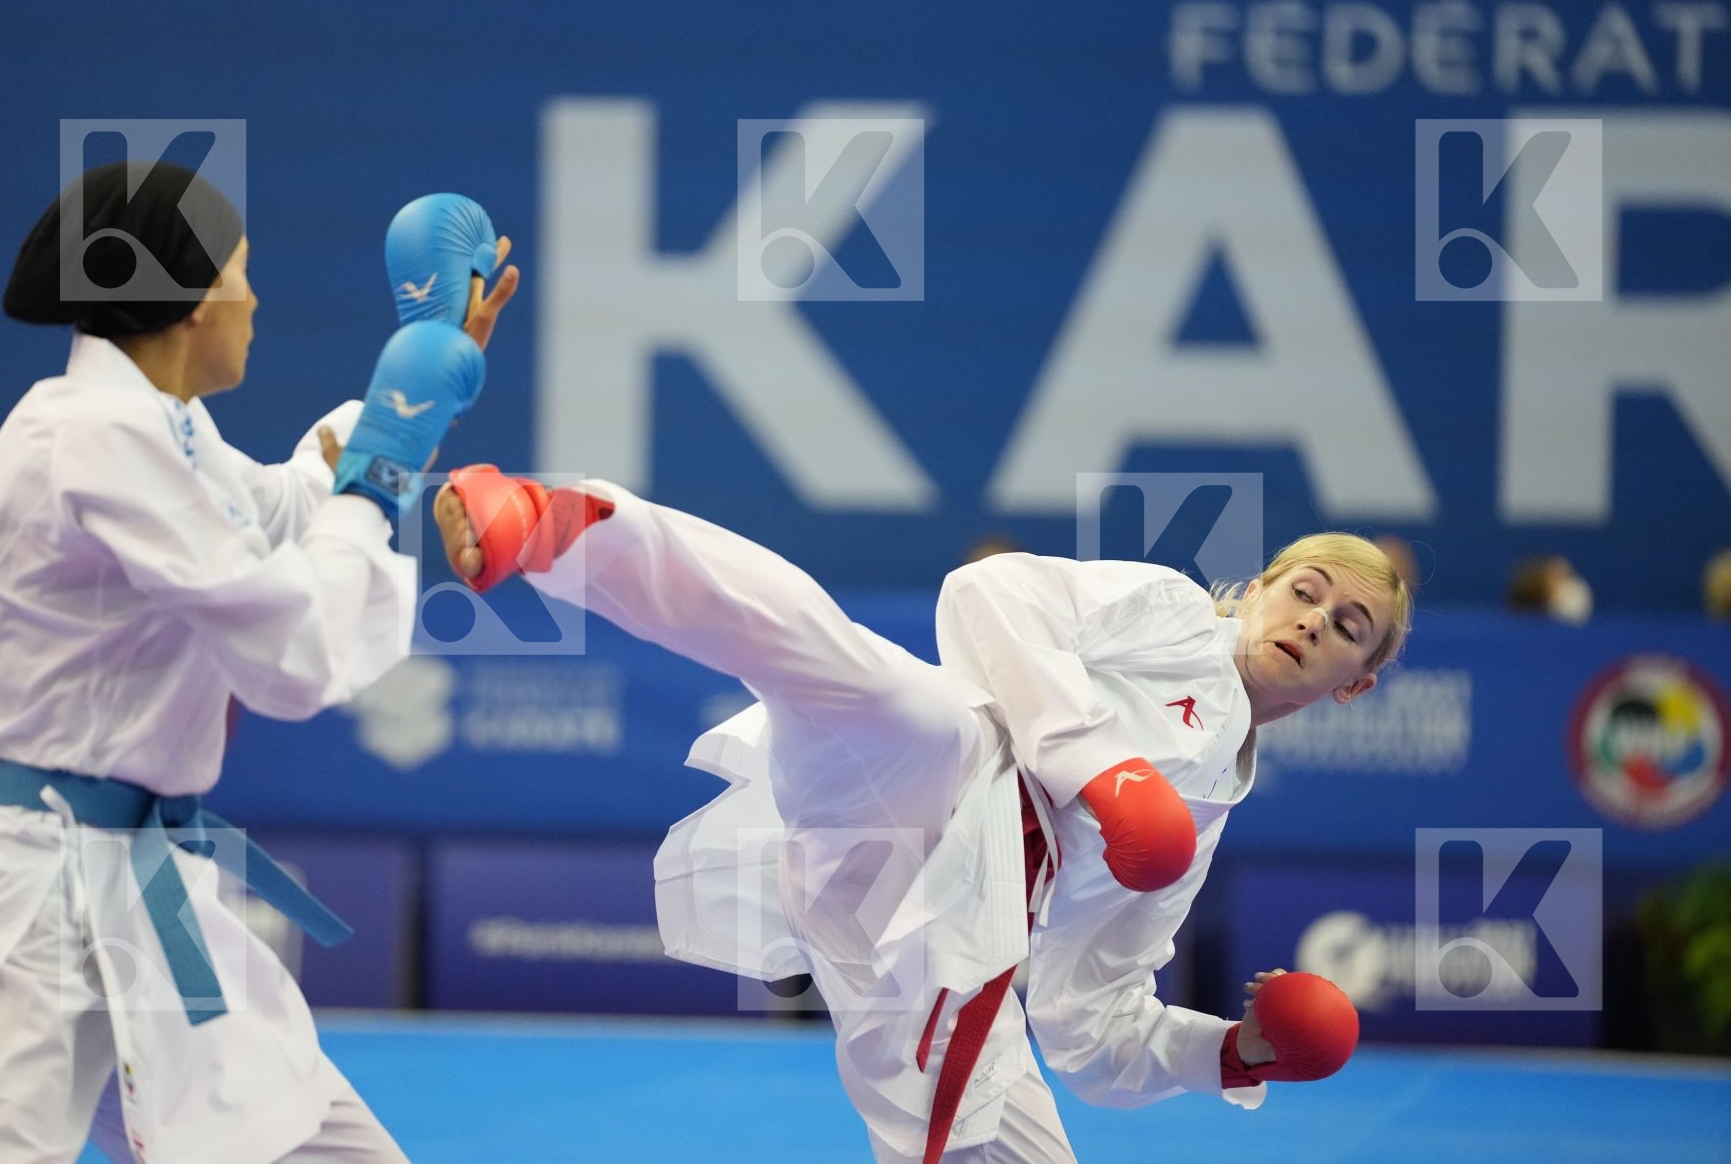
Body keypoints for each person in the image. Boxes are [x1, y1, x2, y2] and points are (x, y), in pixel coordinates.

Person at [432, 470, 1410, 1163]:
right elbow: (989, 592)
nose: (1313, 621)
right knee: (822, 656)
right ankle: (560, 522)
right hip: (927, 778)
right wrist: (1099, 766)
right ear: (1260, 591)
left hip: (932, 935)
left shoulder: (1204, 819)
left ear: (1356, 685)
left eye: (1345, 627)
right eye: (1304, 592)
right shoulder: (1169, 614)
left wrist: (1231, 1052)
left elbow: (1091, 1022)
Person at [0, 162, 517, 1163]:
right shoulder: (92, 437)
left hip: (143, 899)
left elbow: (281, 508)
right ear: (195, 298)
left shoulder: (158, 429)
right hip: (24, 909)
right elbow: (289, 647)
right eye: (243, 271)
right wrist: (382, 459)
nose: (255, 297)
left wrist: (412, 383)